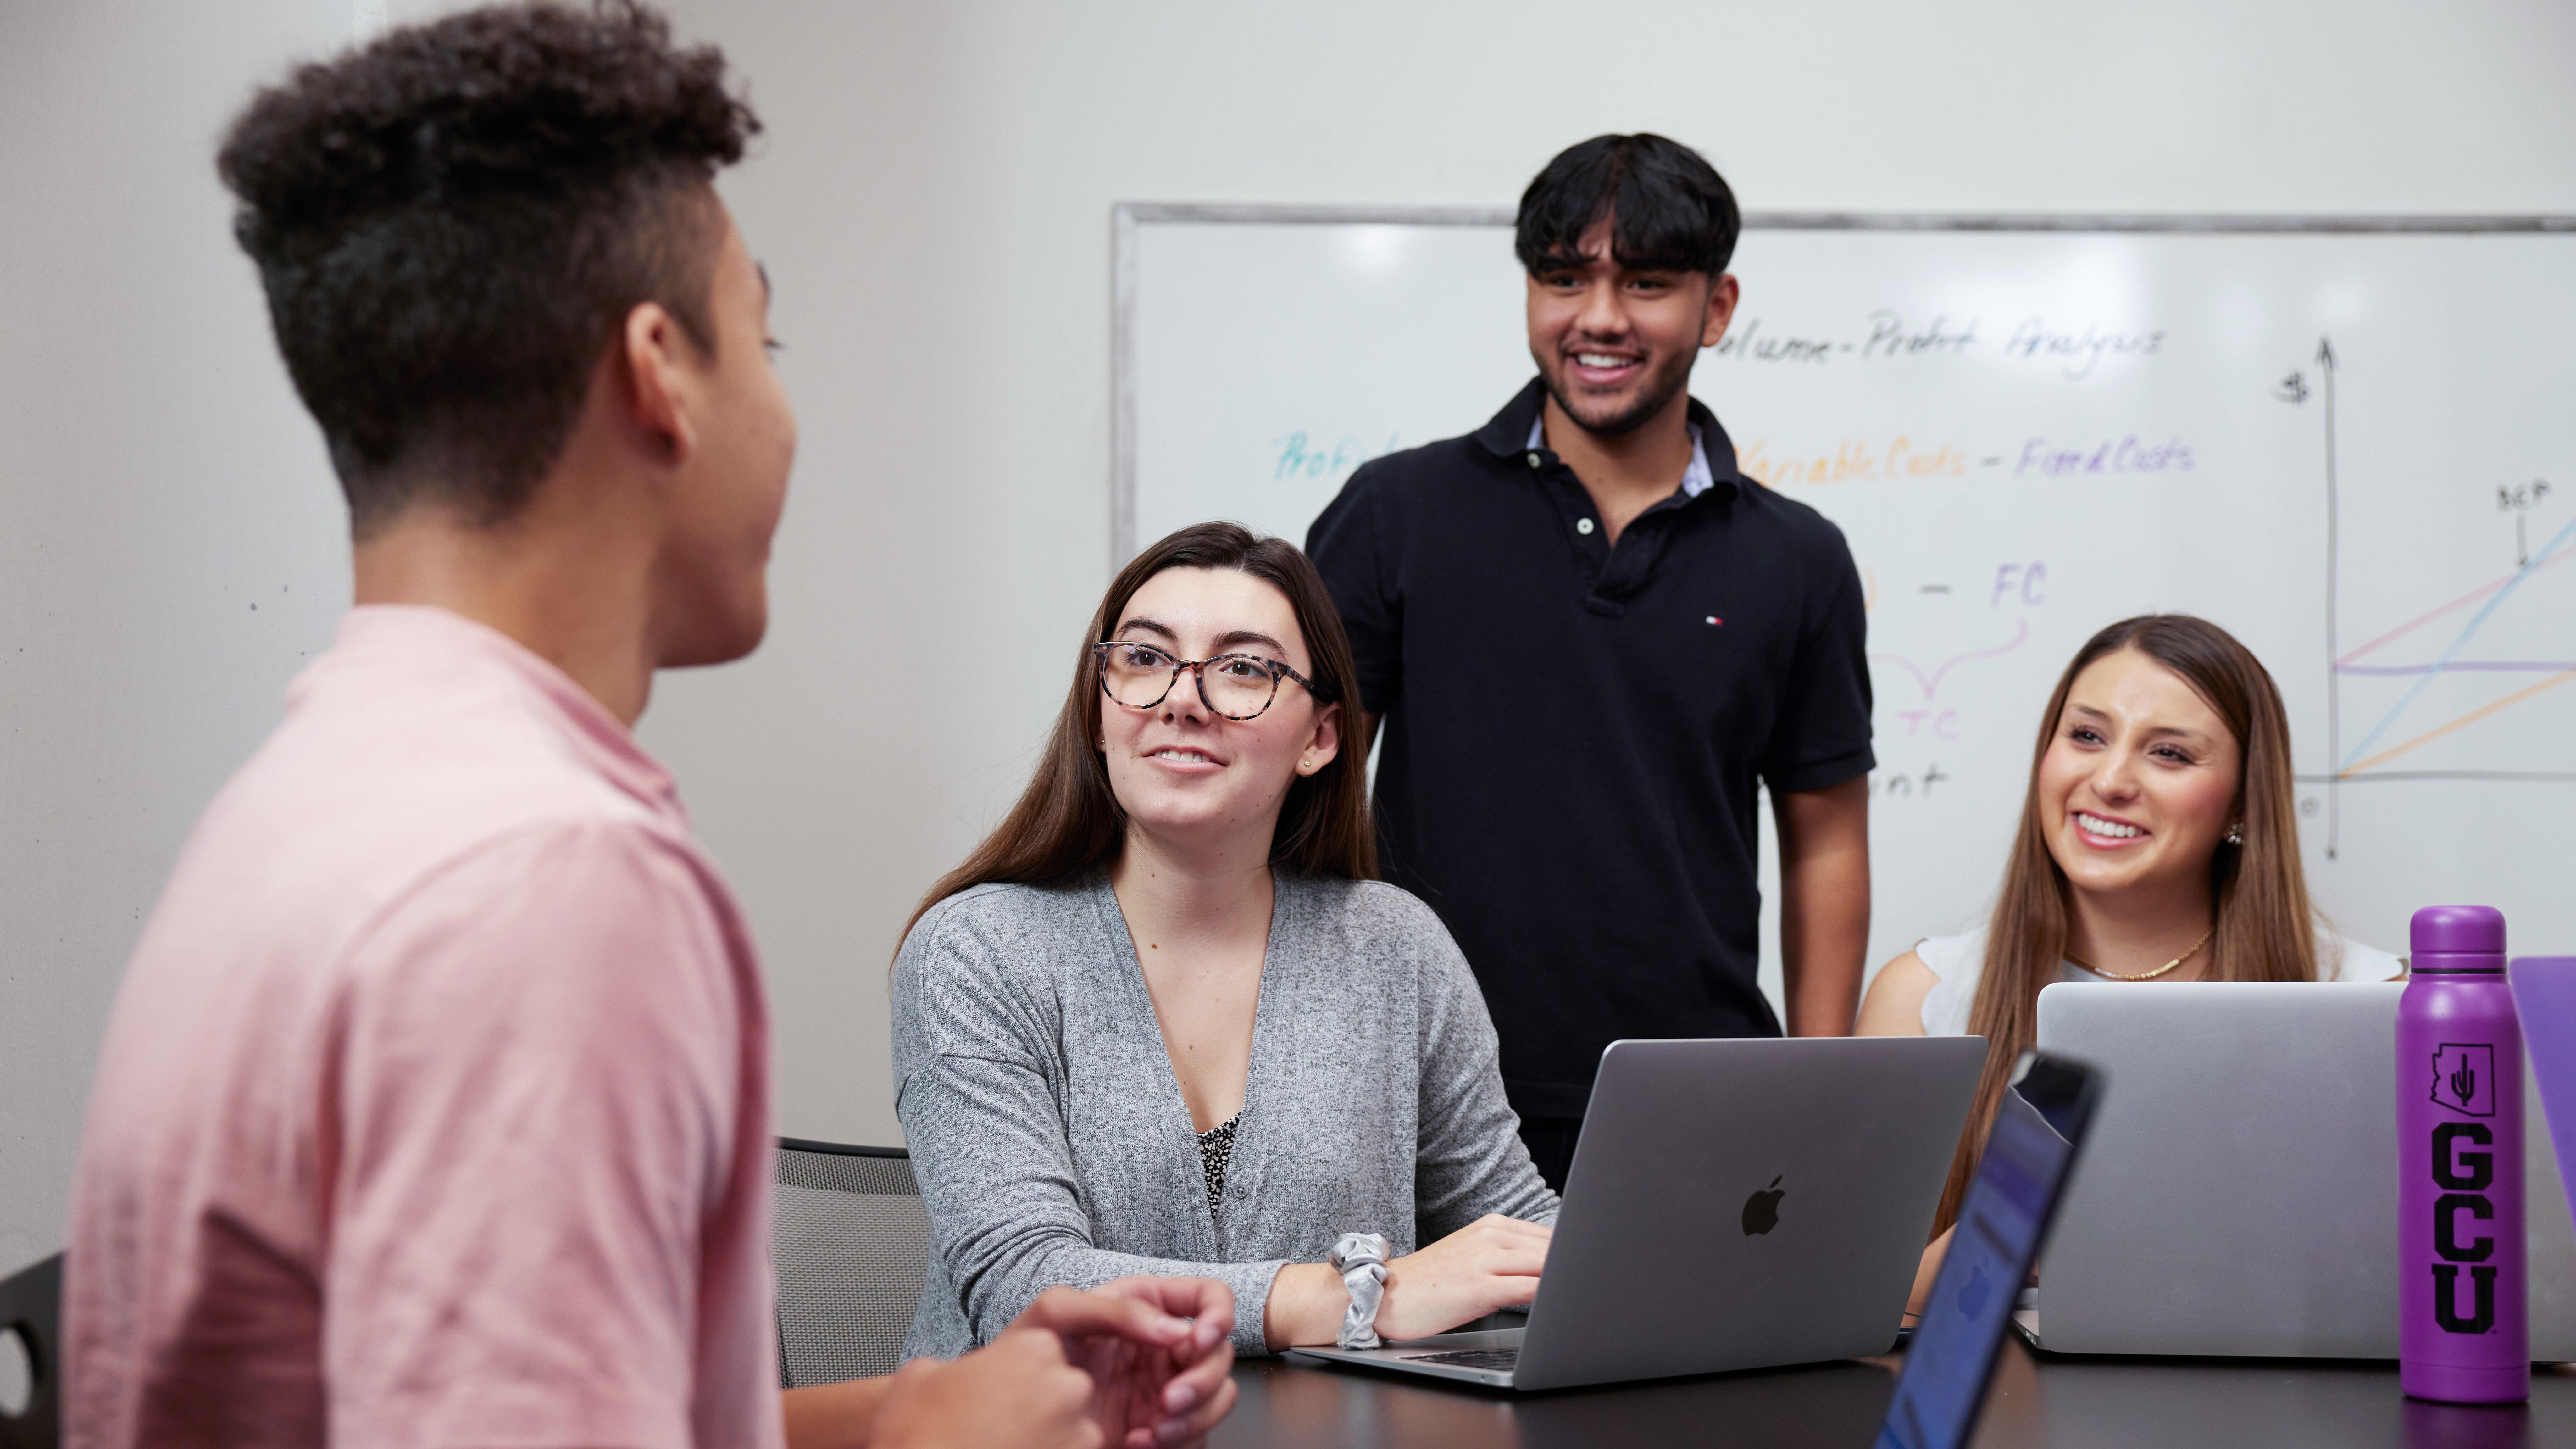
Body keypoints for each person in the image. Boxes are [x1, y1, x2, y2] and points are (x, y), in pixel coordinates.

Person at [62, 7, 1235, 1448]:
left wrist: (909, 1412)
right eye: (768, 337)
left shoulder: (332, 791)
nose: (789, 411)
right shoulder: (547, 885)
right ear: (658, 373)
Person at [1303, 133, 1875, 1189]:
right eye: (1564, 278)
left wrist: (1816, 1089)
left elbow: (1826, 840)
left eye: (1648, 282)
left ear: (1716, 307)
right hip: (1420, 1094)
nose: (1600, 316)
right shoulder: (1396, 514)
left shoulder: (1798, 558)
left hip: (1697, 1095)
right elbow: (1301, 782)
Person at [893, 521, 1559, 1358]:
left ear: (1320, 738)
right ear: (1100, 715)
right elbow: (1026, 1288)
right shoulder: (978, 950)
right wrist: (1368, 1298)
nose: (1182, 697)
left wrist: (1671, 1267)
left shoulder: (1396, 948)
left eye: (1244, 669)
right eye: (1143, 658)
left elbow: (1515, 1224)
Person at [1855, 613, 2401, 1309]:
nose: (2110, 780)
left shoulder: (2374, 1003)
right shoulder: (1924, 998)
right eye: (2085, 735)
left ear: (2241, 804)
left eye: (2169, 754)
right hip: (2006, 1407)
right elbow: (1854, 1300)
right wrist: (2022, 1232)